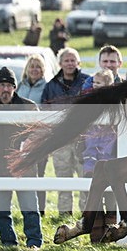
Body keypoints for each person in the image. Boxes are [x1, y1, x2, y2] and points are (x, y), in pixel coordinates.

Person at [0, 67, 42, 249]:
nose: (5, 89)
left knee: (30, 207)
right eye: (2, 85)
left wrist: (26, 157)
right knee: (1, 209)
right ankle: (8, 242)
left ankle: (34, 242)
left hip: (25, 166)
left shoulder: (29, 107)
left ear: (14, 87)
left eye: (9, 85)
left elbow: (37, 136)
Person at [40, 47, 89, 216]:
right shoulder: (51, 85)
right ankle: (64, 215)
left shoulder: (87, 82)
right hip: (60, 141)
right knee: (63, 178)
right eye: (66, 60)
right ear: (60, 63)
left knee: (85, 178)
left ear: (78, 63)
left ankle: (87, 215)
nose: (69, 63)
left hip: (83, 139)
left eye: (72, 60)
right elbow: (44, 112)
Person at [82, 69, 118, 242]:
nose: (94, 86)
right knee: (93, 196)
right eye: (94, 82)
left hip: (109, 155)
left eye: (99, 83)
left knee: (111, 196)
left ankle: (111, 234)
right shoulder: (89, 103)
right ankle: (96, 236)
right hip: (91, 154)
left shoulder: (114, 105)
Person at [16, 53, 51, 215]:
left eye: (38, 66)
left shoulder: (47, 87)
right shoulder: (20, 86)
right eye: (32, 66)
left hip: (40, 134)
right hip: (21, 134)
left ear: (43, 69)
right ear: (27, 69)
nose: (35, 69)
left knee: (39, 172)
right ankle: (26, 208)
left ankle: (40, 209)